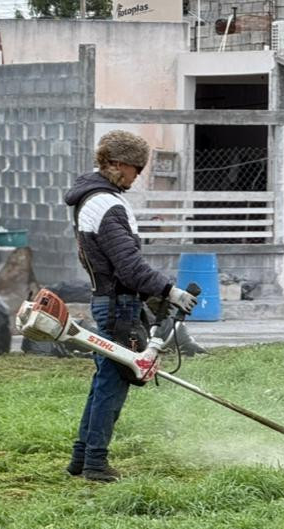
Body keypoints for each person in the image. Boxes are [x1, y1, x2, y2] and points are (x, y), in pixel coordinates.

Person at [62, 130, 198, 483]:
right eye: (136, 169)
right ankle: (95, 463)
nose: (137, 176)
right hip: (118, 305)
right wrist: (170, 291)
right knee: (113, 382)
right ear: (117, 164)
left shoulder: (91, 199)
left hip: (108, 300)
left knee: (103, 380)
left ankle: (81, 458)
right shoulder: (106, 204)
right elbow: (129, 267)